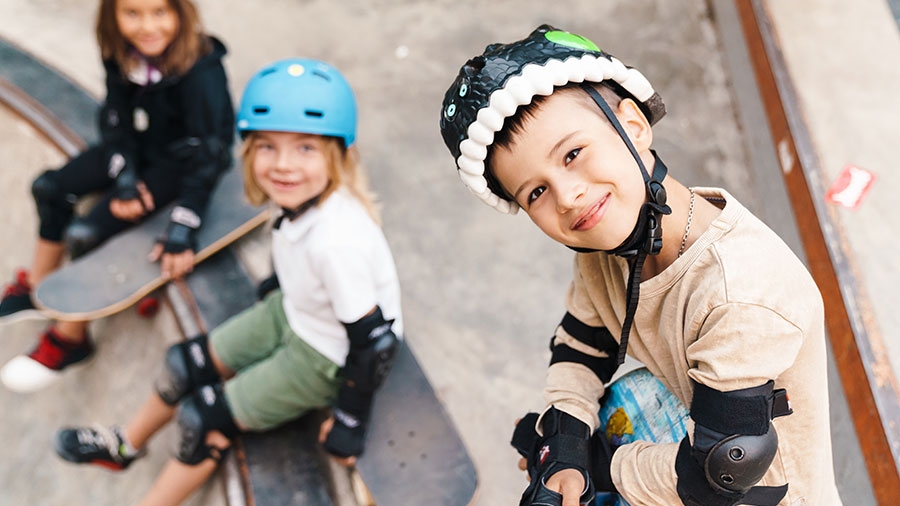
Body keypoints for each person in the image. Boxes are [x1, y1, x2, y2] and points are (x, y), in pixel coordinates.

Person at [439, 25, 841, 506]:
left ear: (633, 125)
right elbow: (581, 349)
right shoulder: (607, 253)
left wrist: (597, 463)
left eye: (572, 154)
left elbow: (720, 474)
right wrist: (564, 447)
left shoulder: (740, 290)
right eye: (537, 192)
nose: (568, 197)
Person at [53, 57, 403, 506]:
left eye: (305, 148)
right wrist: (282, 285)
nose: (283, 166)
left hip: (325, 354)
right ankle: (124, 445)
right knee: (184, 364)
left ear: (338, 154)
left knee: (204, 420)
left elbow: (374, 343)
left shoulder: (337, 243)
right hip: (297, 313)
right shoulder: (303, 201)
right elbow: (297, 248)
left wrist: (350, 420)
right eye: (267, 147)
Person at [0, 0, 234, 393]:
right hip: (140, 147)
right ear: (113, 16)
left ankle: (71, 338)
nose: (147, 27)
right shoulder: (120, 50)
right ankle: (38, 285)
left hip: (182, 161)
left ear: (181, 13)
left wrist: (184, 222)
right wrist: (125, 174)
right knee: (49, 187)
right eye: (133, 14)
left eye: (160, 12)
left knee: (87, 233)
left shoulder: (200, 69)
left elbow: (211, 153)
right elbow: (115, 118)